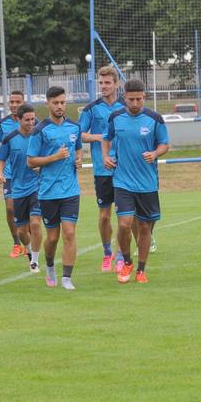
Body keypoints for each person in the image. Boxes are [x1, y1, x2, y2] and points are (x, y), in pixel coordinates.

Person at [103, 78, 171, 284]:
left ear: (144, 97)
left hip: (147, 183)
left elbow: (165, 144)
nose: (134, 103)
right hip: (122, 181)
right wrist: (105, 156)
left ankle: (141, 270)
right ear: (125, 97)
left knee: (144, 228)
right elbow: (106, 138)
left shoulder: (155, 119)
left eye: (138, 99)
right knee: (124, 224)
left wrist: (155, 153)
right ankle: (127, 261)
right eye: (131, 99)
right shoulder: (115, 117)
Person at [27, 86, 84, 289]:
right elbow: (31, 161)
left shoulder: (74, 127)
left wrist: (79, 160)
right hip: (48, 192)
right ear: (48, 104)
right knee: (52, 238)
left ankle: (67, 278)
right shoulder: (40, 130)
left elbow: (78, 151)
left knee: (69, 233)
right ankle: (50, 266)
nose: (60, 106)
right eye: (56, 103)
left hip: (70, 190)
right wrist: (54, 157)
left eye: (62, 102)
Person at [79, 65, 126, 271]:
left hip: (125, 169)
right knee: (105, 215)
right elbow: (79, 134)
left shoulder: (127, 105)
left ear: (116, 84)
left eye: (108, 83)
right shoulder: (92, 109)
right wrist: (101, 137)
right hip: (102, 169)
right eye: (101, 83)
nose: (104, 86)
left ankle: (121, 256)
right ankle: (107, 253)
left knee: (125, 217)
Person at [0, 103, 43, 274]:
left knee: (36, 223)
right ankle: (29, 250)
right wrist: (0, 174)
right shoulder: (10, 139)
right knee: (22, 230)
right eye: (27, 120)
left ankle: (35, 261)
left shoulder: (39, 135)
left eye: (33, 119)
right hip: (18, 188)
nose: (31, 123)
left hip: (37, 185)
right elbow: (1, 159)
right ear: (18, 119)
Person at [0, 90, 27, 257]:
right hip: (10, 173)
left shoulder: (33, 121)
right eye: (12, 102)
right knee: (10, 208)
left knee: (28, 211)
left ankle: (28, 242)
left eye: (18, 102)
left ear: (23, 103)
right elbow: (3, 149)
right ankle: (16, 243)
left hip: (29, 173)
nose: (14, 105)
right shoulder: (3, 123)